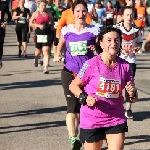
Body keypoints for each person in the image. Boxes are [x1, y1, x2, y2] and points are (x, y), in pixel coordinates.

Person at [69, 26, 138, 150]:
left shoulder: (125, 66)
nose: (113, 44)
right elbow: (73, 85)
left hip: (115, 118)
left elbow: (132, 98)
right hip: (92, 119)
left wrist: (133, 93)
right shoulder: (90, 64)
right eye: (109, 40)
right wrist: (84, 98)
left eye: (117, 40)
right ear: (101, 43)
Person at [56, 0, 100, 149]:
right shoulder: (67, 30)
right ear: (73, 13)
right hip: (69, 71)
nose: (81, 14)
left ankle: (85, 134)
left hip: (87, 75)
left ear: (86, 12)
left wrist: (95, 48)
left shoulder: (94, 30)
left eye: (83, 11)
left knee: (84, 106)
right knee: (72, 106)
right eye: (78, 11)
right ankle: (73, 139)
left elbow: (101, 50)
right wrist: (57, 54)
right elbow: (60, 45)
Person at [114, 6, 143, 119]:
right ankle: (117, 108)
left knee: (129, 84)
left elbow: (140, 43)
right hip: (118, 59)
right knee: (117, 84)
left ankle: (128, 109)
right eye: (127, 15)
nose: (129, 17)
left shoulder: (136, 30)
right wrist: (120, 49)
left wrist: (137, 48)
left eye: (131, 15)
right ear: (122, 16)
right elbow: (112, 40)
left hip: (131, 60)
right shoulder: (117, 28)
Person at [29, 0, 53, 74]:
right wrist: (38, 25)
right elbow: (30, 23)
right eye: (42, 5)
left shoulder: (48, 13)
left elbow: (52, 20)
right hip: (39, 34)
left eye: (44, 6)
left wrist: (51, 27)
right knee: (38, 51)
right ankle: (36, 58)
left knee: (46, 50)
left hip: (47, 34)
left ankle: (46, 68)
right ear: (39, 6)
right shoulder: (36, 13)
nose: (43, 7)